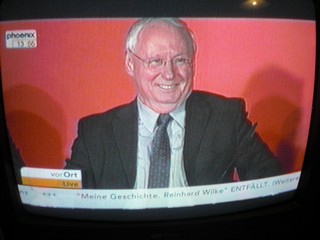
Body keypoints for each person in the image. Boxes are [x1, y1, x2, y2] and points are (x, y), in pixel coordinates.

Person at [64, 18, 281, 189]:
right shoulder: (95, 132)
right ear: (130, 63)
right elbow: (67, 200)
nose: (169, 74)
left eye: (180, 60)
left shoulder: (226, 118)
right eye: (156, 61)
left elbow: (270, 181)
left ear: (193, 64)